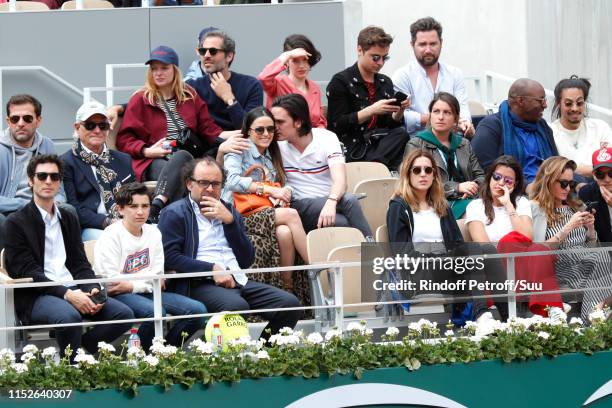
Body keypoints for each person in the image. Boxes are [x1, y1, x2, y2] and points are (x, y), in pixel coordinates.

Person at [5, 154, 133, 361]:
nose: (48, 181)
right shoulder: (15, 222)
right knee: (69, 317)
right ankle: (72, 369)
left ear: (60, 182)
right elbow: (28, 272)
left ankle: (78, 354)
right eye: (42, 176)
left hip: (72, 287)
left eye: (54, 177)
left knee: (123, 315)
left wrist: (90, 287)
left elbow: (79, 263)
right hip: (37, 294)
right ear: (31, 180)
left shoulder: (68, 217)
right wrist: (68, 295)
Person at [157, 157, 302, 339]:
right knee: (236, 307)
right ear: (189, 184)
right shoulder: (174, 213)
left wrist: (230, 222)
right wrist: (211, 269)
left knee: (290, 305)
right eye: (203, 183)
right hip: (197, 283)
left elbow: (246, 259)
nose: (210, 189)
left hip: (237, 279)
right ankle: (209, 355)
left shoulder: (230, 212)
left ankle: (265, 355)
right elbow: (170, 257)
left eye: (216, 184)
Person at [116, 45, 243, 222]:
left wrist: (238, 134)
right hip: (154, 161)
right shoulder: (141, 99)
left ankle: (165, 213)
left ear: (175, 70)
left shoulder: (189, 95)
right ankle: (164, 211)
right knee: (187, 169)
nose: (158, 73)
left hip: (187, 158)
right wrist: (147, 150)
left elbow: (208, 129)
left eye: (164, 68)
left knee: (190, 164)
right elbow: (124, 139)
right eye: (154, 69)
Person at [93, 182, 206, 351]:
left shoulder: (154, 232)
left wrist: (132, 284)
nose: (140, 211)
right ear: (120, 209)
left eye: (145, 206)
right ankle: (140, 356)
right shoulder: (111, 235)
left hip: (145, 290)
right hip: (120, 295)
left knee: (198, 310)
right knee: (155, 312)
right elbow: (113, 284)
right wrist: (142, 283)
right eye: (133, 206)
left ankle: (166, 351)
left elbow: (158, 276)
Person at [223, 107, 310, 296]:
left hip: (265, 210)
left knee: (285, 232)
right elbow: (231, 182)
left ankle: (287, 287)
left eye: (270, 129)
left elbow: (285, 183)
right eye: (259, 129)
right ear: (248, 131)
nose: (266, 134)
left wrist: (284, 192)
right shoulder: (240, 148)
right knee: (292, 214)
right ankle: (317, 266)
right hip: (239, 214)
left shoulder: (272, 153)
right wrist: (266, 189)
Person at [465, 155, 564, 317]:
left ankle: (553, 309)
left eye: (508, 181)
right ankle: (549, 306)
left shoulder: (521, 202)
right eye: (497, 177)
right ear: (489, 178)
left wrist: (508, 204)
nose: (501, 183)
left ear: (515, 184)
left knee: (537, 247)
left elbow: (526, 235)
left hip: (521, 270)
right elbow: (483, 246)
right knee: (509, 241)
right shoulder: (475, 206)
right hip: (494, 272)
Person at [271, 94, 372, 237]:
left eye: (280, 122)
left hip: (329, 201)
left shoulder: (326, 138)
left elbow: (341, 181)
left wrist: (331, 202)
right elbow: (248, 134)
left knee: (347, 211)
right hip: (298, 204)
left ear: (298, 122)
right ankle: (375, 254)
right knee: (347, 211)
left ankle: (372, 254)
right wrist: (226, 147)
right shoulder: (274, 144)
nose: (274, 128)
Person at [530, 156, 612, 320]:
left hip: (587, 264)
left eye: (571, 184)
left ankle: (595, 315)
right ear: (549, 180)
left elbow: (592, 247)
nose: (568, 188)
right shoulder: (536, 208)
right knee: (602, 258)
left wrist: (590, 229)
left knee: (601, 257)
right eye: (563, 183)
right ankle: (593, 317)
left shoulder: (576, 205)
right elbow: (538, 251)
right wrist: (568, 227)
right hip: (561, 266)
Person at [386, 150, 466, 309]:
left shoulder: (442, 205)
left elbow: (458, 243)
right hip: (417, 272)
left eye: (428, 170)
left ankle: (503, 318)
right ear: (407, 174)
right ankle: (482, 316)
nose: (423, 174)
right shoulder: (398, 207)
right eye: (417, 170)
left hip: (446, 267)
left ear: (434, 175)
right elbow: (402, 252)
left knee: (479, 254)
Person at [326, 25, 410, 170]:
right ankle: (375, 168)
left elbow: (391, 124)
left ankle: (375, 166)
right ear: (360, 50)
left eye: (385, 58)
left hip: (380, 145)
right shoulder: (340, 81)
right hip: (353, 146)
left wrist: (399, 110)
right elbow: (336, 125)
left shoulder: (384, 82)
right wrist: (371, 110)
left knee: (402, 134)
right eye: (375, 57)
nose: (380, 63)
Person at [61, 101, 134, 241]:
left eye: (103, 126)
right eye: (90, 125)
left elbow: (134, 196)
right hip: (92, 227)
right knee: (114, 240)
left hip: (127, 222)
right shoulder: (66, 162)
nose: (97, 130)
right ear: (77, 127)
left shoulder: (124, 160)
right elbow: (73, 207)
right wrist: (107, 222)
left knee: (156, 233)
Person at [405, 92, 483, 219]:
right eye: (436, 111)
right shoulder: (416, 144)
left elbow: (480, 175)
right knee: (476, 214)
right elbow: (414, 182)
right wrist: (457, 188)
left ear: (456, 119)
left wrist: (472, 187)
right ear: (430, 115)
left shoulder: (463, 144)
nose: (440, 117)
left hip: (469, 199)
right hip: (434, 203)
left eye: (447, 112)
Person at [392, 17, 474, 136]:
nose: (428, 50)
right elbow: (401, 116)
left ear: (441, 43)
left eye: (433, 44)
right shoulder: (402, 76)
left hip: (453, 141)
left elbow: (462, 108)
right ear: (412, 45)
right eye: (422, 44)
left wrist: (466, 124)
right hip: (417, 144)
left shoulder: (455, 74)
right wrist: (432, 119)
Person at [1, 94, 60, 250]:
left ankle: (70, 266)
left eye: (27, 118)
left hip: (45, 205)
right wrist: (25, 204)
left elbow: (59, 183)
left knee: (69, 211)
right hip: (9, 209)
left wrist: (59, 200)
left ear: (38, 120)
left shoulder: (47, 144)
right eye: (15, 119)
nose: (21, 123)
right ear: (8, 121)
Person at [471, 78, 558, 185]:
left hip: (549, 186)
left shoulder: (542, 126)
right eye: (540, 101)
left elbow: (556, 163)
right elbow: (488, 172)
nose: (545, 105)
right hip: (513, 190)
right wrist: (526, 187)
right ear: (520, 101)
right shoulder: (491, 126)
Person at [185, 29, 264, 130]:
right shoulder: (191, 87)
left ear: (229, 56)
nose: (206, 55)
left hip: (241, 145)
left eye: (213, 51)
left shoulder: (251, 85)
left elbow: (251, 130)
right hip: (207, 144)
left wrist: (229, 98)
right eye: (203, 51)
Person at [258, 34, 327, 128]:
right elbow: (263, 78)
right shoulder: (277, 83)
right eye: (295, 60)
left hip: (311, 140)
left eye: (305, 60)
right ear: (287, 62)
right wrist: (287, 55)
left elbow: (320, 122)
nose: (301, 65)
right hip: (281, 140)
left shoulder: (315, 88)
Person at [550, 76, 612, 178]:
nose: (575, 108)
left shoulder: (600, 128)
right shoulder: (550, 132)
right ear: (558, 103)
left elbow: (609, 166)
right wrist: (597, 169)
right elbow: (555, 170)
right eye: (568, 104)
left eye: (579, 103)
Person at [578, 147, 612, 242]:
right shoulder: (587, 193)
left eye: (611, 173)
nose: (607, 179)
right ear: (594, 175)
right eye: (600, 175)